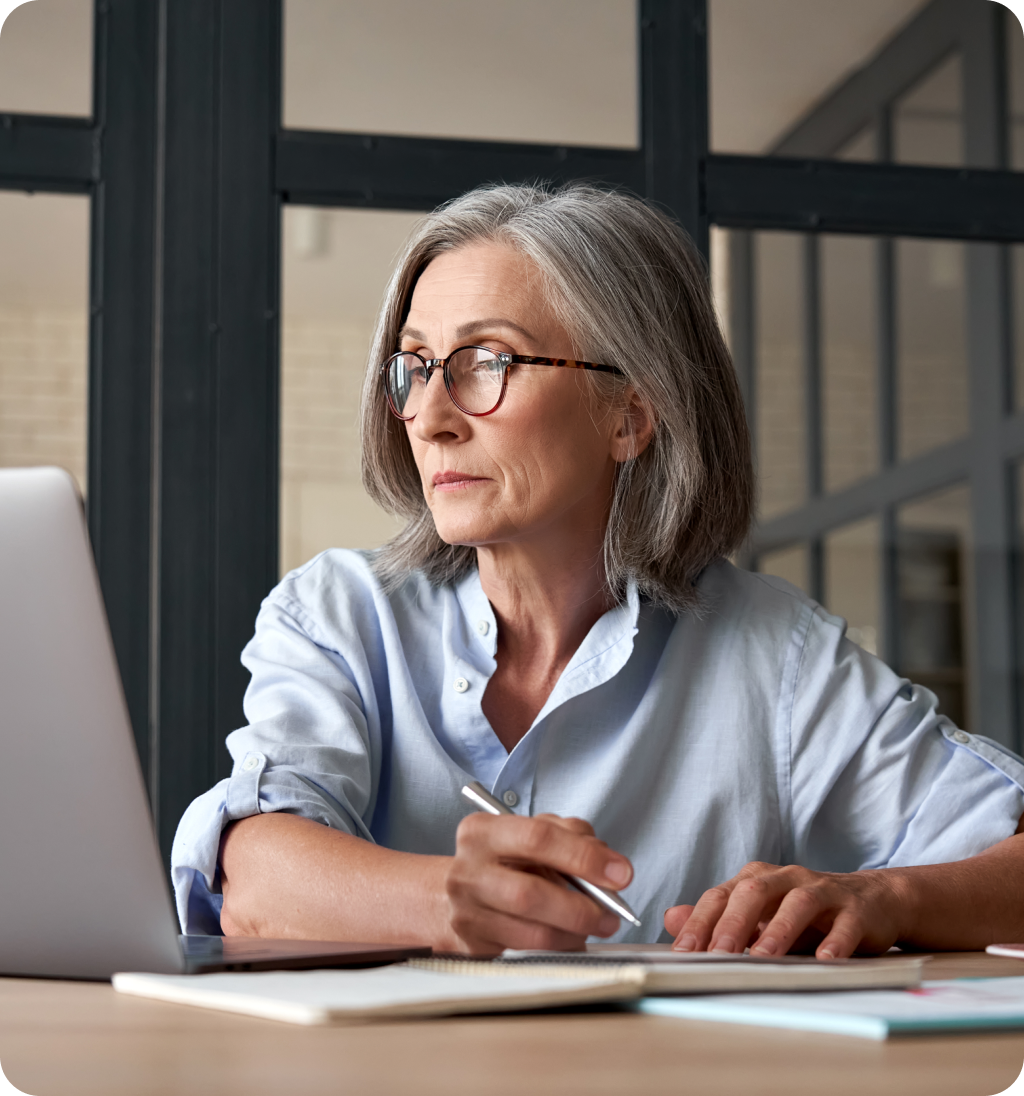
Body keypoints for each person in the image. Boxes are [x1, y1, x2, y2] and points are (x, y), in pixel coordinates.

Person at [172, 183, 1024, 958]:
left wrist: (885, 895)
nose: (428, 417)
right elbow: (251, 881)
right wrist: (444, 901)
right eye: (416, 366)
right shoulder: (339, 613)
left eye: (487, 363)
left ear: (630, 414)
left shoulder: (780, 657)